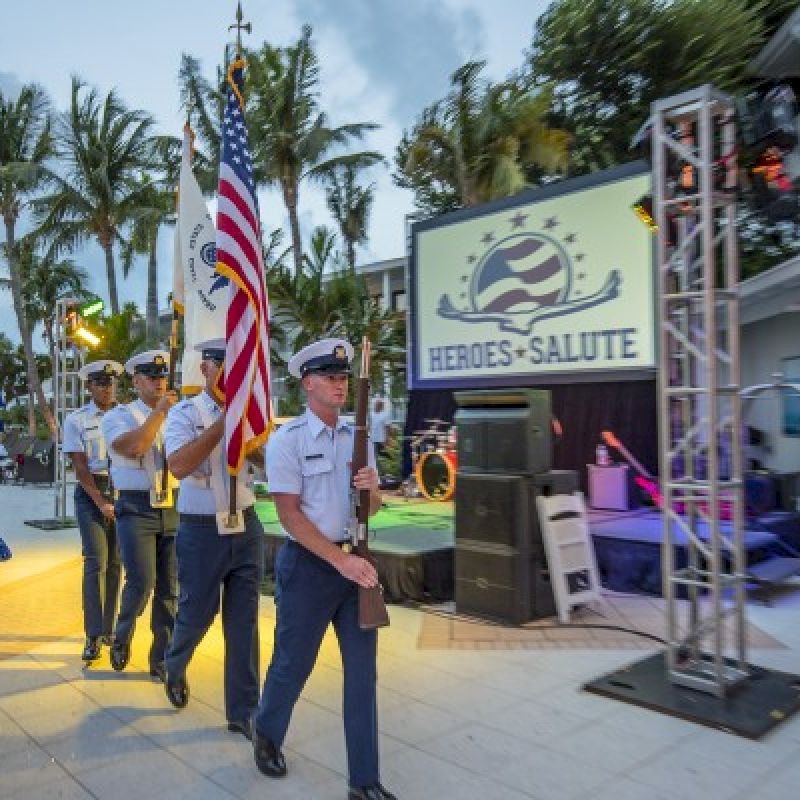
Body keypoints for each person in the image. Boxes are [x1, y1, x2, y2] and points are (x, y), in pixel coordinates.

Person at [253, 338, 396, 800]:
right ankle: (267, 731)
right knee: (294, 664)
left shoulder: (359, 436)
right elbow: (290, 516)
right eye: (331, 377)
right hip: (311, 567)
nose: (340, 384)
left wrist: (373, 490)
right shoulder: (287, 441)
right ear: (308, 383)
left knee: (362, 676)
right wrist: (342, 563)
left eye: (343, 377)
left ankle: (364, 781)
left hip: (355, 561)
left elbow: (369, 509)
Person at [162, 338, 265, 740]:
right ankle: (175, 661)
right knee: (196, 612)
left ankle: (244, 711)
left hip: (246, 523)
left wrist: (250, 434)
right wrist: (226, 423)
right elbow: (178, 465)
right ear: (205, 369)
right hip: (202, 528)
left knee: (244, 623)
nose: (230, 375)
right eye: (222, 366)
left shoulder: (250, 412)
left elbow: (266, 458)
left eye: (237, 367)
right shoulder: (184, 414)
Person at [101, 350, 179, 680]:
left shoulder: (179, 414)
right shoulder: (119, 416)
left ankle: (161, 657)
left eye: (162, 376)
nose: (159, 381)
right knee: (142, 582)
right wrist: (160, 413)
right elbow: (134, 447)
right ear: (135, 381)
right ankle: (122, 633)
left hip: (173, 504)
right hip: (135, 507)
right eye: (151, 376)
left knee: (169, 588)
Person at [62, 360, 124, 662]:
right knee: (95, 562)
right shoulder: (76, 420)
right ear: (89, 386)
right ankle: (93, 634)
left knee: (115, 564)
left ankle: (110, 629)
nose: (107, 388)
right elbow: (80, 467)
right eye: (101, 382)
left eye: (111, 382)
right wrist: (101, 501)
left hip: (122, 490)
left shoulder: (127, 416)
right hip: (91, 493)